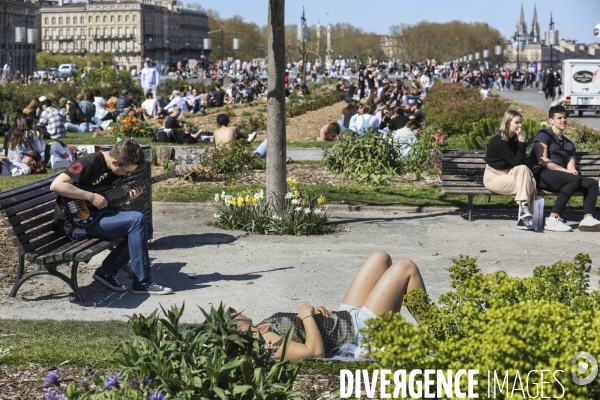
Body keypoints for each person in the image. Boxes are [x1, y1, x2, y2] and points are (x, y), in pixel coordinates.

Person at [231, 251, 425, 360]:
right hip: (360, 332)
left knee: (380, 257)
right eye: (232, 313)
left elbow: (300, 329)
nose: (235, 310)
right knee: (406, 267)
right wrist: (306, 316)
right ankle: (434, 333)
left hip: (344, 317)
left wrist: (313, 314)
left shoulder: (261, 325)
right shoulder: (264, 342)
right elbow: (314, 352)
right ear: (235, 328)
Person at [49, 139, 172, 295]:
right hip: (77, 223)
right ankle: (142, 283)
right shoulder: (89, 162)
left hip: (96, 217)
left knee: (145, 228)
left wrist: (126, 199)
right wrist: (90, 196)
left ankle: (106, 272)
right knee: (137, 219)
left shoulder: (113, 170)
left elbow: (107, 200)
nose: (128, 174)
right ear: (115, 162)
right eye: (127, 171)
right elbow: (56, 185)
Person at [529, 105, 600, 232]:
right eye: (559, 118)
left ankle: (588, 218)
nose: (563, 120)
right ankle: (552, 219)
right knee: (573, 179)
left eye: (565, 117)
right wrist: (567, 172)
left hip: (560, 177)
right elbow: (542, 160)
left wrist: (571, 172)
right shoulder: (544, 134)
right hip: (542, 174)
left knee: (592, 183)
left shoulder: (569, 144)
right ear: (551, 120)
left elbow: (571, 167)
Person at [483, 110, 536, 230]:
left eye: (521, 122)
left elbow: (519, 164)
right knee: (530, 182)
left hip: (508, 173)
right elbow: (516, 162)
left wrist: (519, 141)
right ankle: (525, 215)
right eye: (517, 122)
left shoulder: (514, 139)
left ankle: (524, 209)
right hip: (493, 177)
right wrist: (522, 142)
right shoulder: (498, 142)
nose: (520, 126)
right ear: (507, 123)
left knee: (523, 170)